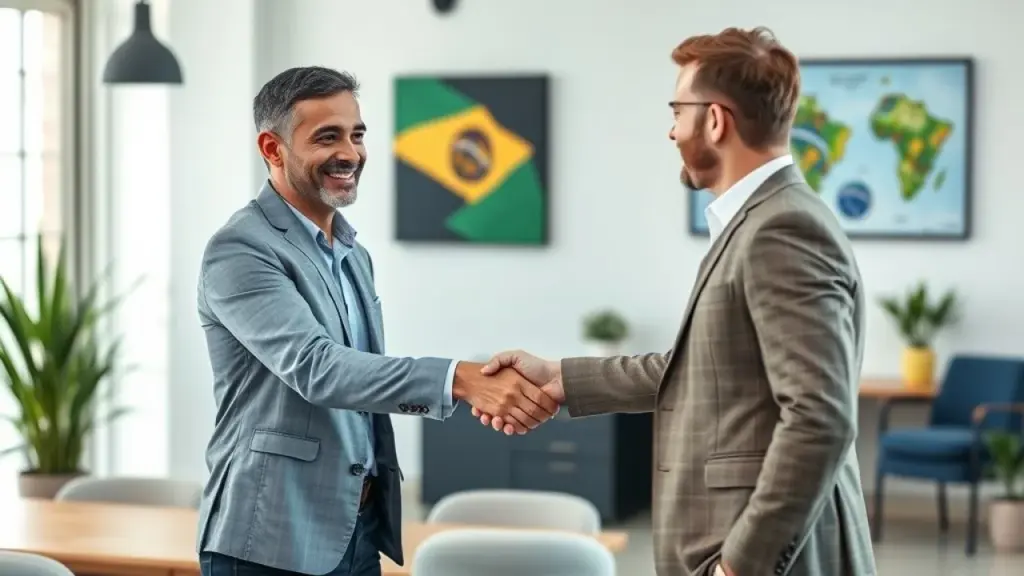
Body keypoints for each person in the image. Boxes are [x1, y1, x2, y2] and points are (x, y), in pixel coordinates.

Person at [473, 27, 877, 576]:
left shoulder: (781, 229)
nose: (670, 131)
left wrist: (740, 566)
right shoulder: (763, 220)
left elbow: (820, 418)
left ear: (715, 120)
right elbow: (705, 369)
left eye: (677, 111)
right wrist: (560, 377)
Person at [194, 66, 559, 576]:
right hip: (270, 537)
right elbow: (318, 369)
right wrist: (460, 379)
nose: (350, 152)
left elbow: (361, 376)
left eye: (356, 134)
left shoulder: (351, 251)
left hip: (354, 526)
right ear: (273, 149)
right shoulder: (241, 249)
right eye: (328, 137)